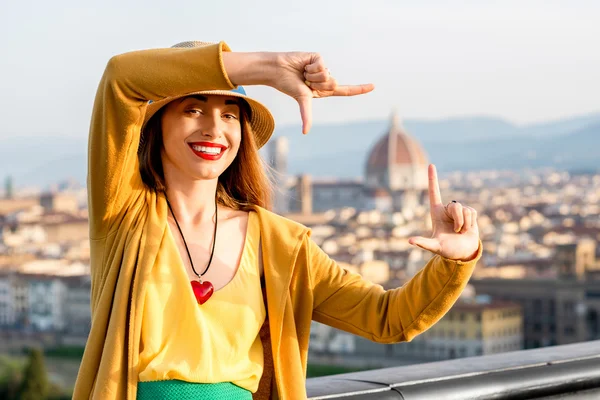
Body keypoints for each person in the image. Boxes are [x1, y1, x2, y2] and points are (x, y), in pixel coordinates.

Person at [73, 40, 482, 400]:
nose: (214, 128)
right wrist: (268, 69)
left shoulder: (281, 243)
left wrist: (454, 261)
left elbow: (388, 318)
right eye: (192, 109)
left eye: (231, 114)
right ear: (157, 125)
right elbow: (120, 79)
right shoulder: (124, 216)